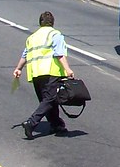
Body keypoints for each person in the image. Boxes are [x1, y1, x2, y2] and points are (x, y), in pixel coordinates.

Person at [12, 11, 74, 139]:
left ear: (40, 22)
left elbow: (25, 55)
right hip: (50, 71)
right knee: (50, 99)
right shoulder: (55, 34)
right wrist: (67, 69)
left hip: (35, 73)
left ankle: (56, 125)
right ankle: (31, 123)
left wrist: (18, 68)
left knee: (47, 100)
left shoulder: (32, 37)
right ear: (53, 22)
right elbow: (59, 54)